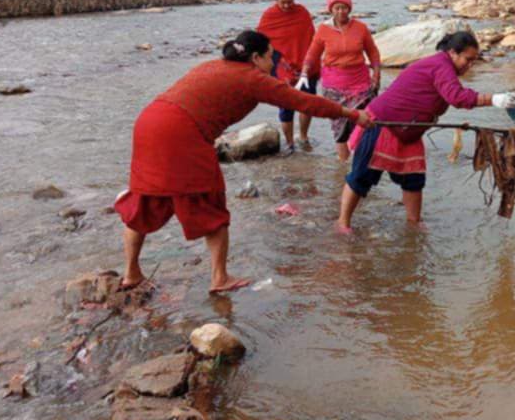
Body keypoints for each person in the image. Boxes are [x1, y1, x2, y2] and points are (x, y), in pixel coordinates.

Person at [115, 30, 371, 294]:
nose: (273, 64)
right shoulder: (252, 78)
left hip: (149, 122)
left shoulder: (213, 65)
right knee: (209, 203)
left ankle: (131, 273)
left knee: (146, 200)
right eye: (270, 57)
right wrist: (350, 113)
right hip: (182, 132)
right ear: (256, 57)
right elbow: (303, 102)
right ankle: (219, 278)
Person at [337, 31, 515, 233]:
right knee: (361, 176)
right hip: (383, 124)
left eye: (474, 61)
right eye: (467, 59)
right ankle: (343, 224)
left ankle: (414, 223)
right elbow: (457, 97)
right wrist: (493, 99)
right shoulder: (441, 65)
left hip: (409, 130)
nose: (470, 66)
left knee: (414, 179)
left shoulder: (443, 67)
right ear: (452, 53)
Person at [300, 0, 381, 161]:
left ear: (349, 8)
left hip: (360, 84)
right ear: (331, 9)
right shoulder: (323, 29)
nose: (341, 12)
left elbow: (373, 52)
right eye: (337, 8)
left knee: (364, 122)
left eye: (344, 8)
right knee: (340, 125)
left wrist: (377, 75)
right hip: (334, 87)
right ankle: (343, 164)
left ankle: (361, 158)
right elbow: (312, 54)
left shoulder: (360, 28)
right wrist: (304, 73)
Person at [257, 0, 316, 153]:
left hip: (305, 65)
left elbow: (311, 38)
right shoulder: (269, 16)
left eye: (290, 2)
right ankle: (290, 142)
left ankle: (303, 136)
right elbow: (261, 42)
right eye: (283, 2)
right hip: (282, 68)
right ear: (275, 0)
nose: (287, 6)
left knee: (308, 103)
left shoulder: (302, 12)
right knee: (286, 105)